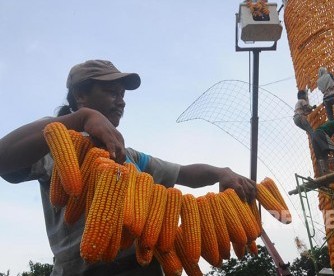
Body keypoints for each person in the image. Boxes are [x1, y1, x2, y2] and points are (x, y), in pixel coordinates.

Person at [0, 60, 257, 276]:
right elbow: (3, 157)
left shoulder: (130, 157)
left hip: (143, 266)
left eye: (122, 95)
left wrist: (221, 173)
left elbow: (185, 174)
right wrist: (81, 118)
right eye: (112, 93)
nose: (121, 102)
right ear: (81, 95)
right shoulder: (56, 140)